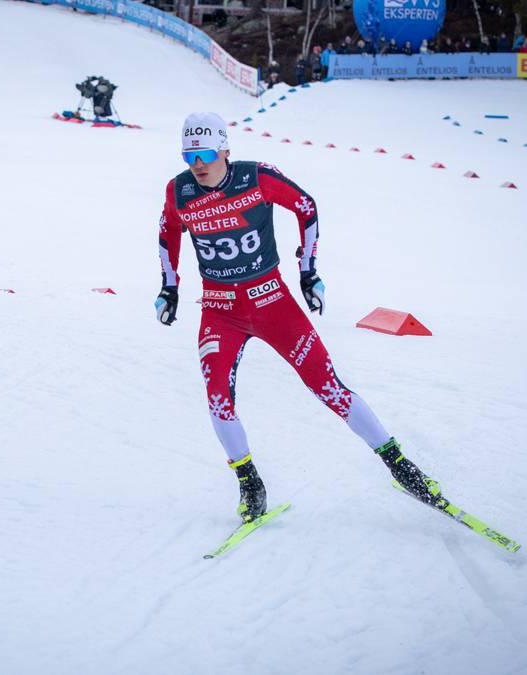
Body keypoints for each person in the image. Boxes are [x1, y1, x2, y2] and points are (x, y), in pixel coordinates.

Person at [154, 113, 448, 523]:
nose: (197, 164)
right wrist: (170, 286)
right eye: (189, 156)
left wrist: (308, 270)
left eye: (204, 153)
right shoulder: (179, 190)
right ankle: (249, 482)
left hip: (272, 302)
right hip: (219, 309)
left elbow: (306, 207)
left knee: (325, 385)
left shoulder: (255, 178)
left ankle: (399, 464)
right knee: (217, 393)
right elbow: (168, 229)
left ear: (225, 150)